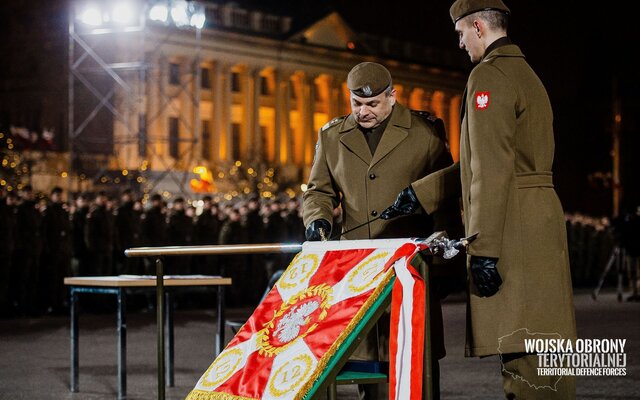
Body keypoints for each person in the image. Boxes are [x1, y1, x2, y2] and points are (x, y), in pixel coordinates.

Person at [383, 1, 577, 398]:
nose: (459, 44)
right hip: (534, 220)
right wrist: (418, 194)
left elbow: (489, 169)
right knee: (544, 345)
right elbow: (485, 162)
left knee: (525, 357)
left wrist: (484, 248)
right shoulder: (525, 73)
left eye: (459, 34)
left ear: (476, 26)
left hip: (511, 228)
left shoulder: (489, 76)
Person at [303, 61, 464, 399]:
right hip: (360, 274)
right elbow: (318, 191)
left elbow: (446, 197)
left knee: (417, 372)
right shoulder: (332, 135)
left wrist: (447, 265)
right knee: (370, 374)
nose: (364, 111)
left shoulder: (426, 132)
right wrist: (318, 220)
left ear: (393, 96)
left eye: (373, 103)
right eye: (356, 103)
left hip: (412, 272)